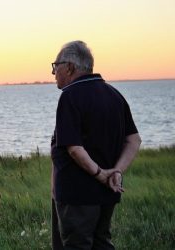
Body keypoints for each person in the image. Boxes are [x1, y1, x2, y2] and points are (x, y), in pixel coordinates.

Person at [50, 41, 141, 250]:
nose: (54, 72)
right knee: (102, 243)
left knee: (77, 245)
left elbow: (73, 147)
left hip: (78, 194)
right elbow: (134, 140)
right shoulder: (114, 94)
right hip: (107, 192)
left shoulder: (70, 96)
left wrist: (100, 173)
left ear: (70, 67)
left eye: (56, 66)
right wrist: (117, 171)